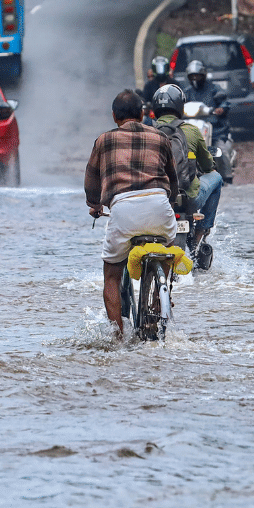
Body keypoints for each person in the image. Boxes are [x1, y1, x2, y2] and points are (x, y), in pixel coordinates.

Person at [84, 90, 180, 339]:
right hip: (159, 205)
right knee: (168, 250)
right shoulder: (160, 137)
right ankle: (158, 303)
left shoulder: (104, 140)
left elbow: (91, 179)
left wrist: (94, 204)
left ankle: (117, 338)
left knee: (112, 275)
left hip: (123, 210)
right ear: (142, 114)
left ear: (114, 116)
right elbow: (173, 178)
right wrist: (168, 201)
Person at [151, 82, 221, 252]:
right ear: (180, 106)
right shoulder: (192, 130)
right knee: (217, 178)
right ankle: (200, 231)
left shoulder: (146, 132)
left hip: (154, 198)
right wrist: (210, 166)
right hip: (188, 197)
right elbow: (206, 165)